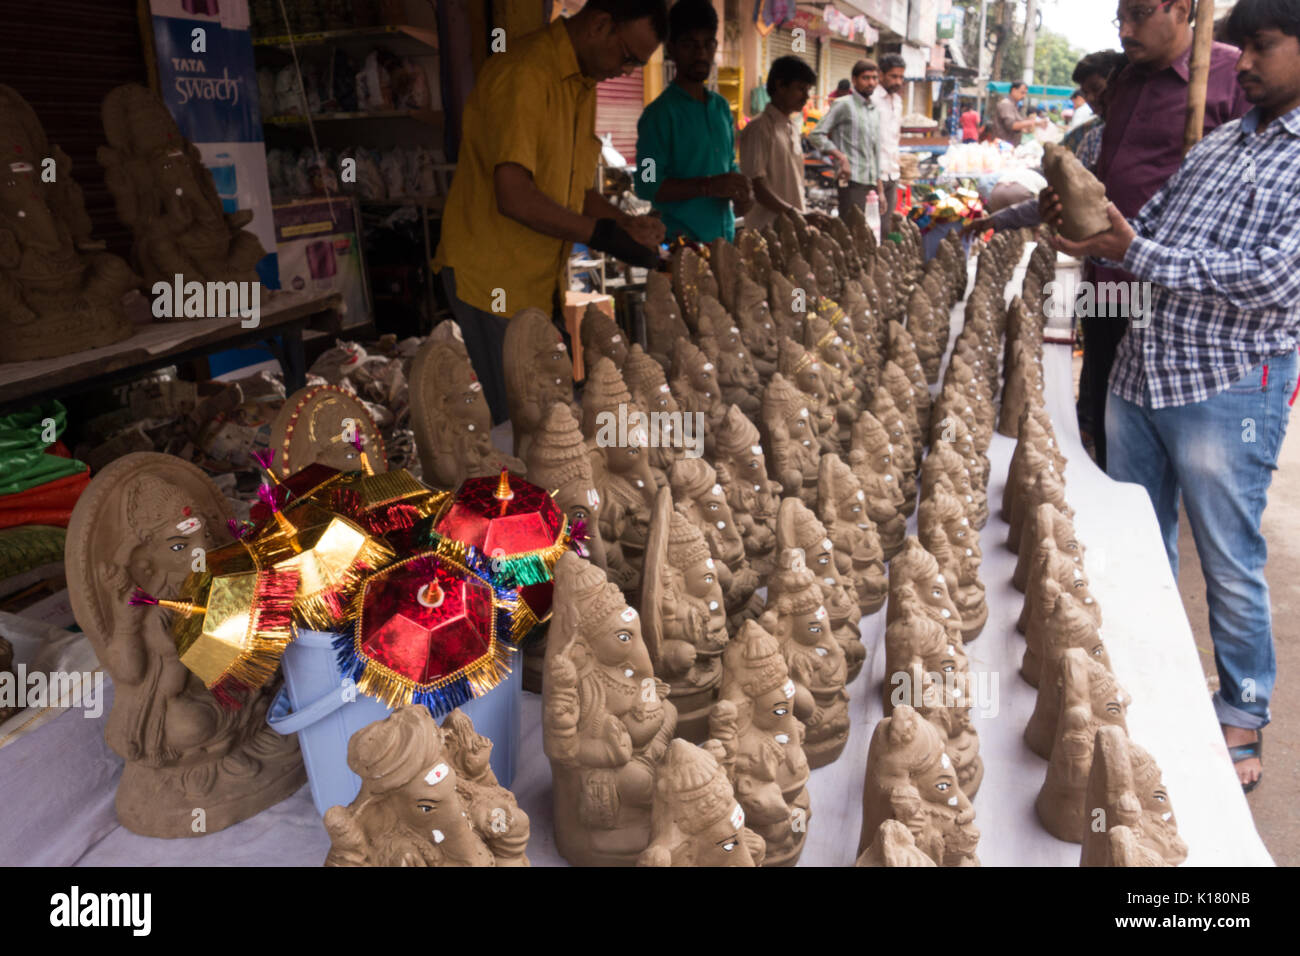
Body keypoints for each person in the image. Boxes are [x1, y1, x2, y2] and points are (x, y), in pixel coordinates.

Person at [1045, 0, 1300, 795]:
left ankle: (1241, 713)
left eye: (1261, 47)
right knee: (1133, 537)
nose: (1245, 63)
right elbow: (1148, 226)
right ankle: (1145, 676)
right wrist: (1097, 231)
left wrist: (1141, 251)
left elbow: (1275, 277)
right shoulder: (1222, 141)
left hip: (1226, 384)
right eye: (1241, 48)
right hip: (1142, 370)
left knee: (1227, 558)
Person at [433, 0, 668, 424]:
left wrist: (624, 223)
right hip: (492, 278)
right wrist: (601, 234)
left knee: (547, 415)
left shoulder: (582, 84)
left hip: (538, 280)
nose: (628, 72)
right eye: (629, 57)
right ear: (600, 24)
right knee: (523, 424)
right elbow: (514, 196)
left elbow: (571, 192)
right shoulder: (525, 73)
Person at [1070, 0, 1250, 469]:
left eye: (1140, 14)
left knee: (1174, 431)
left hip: (1175, 288)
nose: (1126, 30)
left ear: (1182, 8)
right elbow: (1108, 175)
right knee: (1107, 387)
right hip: (1108, 275)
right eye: (1120, 18)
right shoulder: (1127, 80)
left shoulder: (1229, 75)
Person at [634, 0, 751, 243]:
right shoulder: (658, 116)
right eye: (690, 44)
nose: (701, 54)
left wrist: (740, 191)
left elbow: (728, 164)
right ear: (671, 48)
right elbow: (647, 185)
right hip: (680, 249)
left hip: (724, 243)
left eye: (708, 44)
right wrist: (707, 186)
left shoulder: (721, 109)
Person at [739, 55, 816, 232]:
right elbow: (757, 187)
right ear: (781, 86)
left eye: (808, 90)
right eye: (801, 89)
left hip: (793, 226)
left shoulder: (792, 127)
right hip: (766, 230)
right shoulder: (759, 129)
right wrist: (795, 214)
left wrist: (799, 215)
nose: (806, 97)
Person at [809, 59, 882, 221]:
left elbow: (876, 151)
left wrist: (881, 190)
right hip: (851, 180)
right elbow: (816, 135)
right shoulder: (843, 105)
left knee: (870, 234)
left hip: (871, 184)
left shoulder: (875, 110)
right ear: (854, 80)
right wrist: (841, 157)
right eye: (866, 78)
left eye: (874, 78)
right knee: (852, 232)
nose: (871, 82)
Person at [873, 53, 906, 229]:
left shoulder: (898, 102)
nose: (898, 81)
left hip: (892, 173)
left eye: (901, 77)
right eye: (893, 76)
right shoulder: (872, 101)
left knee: (886, 227)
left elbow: (894, 138)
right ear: (881, 75)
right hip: (874, 175)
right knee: (871, 228)